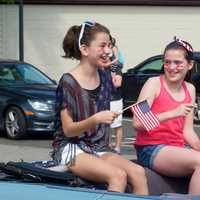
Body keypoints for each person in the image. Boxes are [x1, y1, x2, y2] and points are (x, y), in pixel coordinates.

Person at [51, 21, 148, 194]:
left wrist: (117, 69)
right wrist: (95, 119)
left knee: (138, 172)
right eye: (102, 45)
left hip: (98, 147)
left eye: (110, 45)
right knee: (117, 176)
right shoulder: (68, 82)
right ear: (85, 49)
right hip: (70, 149)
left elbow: (117, 66)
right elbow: (68, 130)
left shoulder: (105, 76)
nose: (108, 51)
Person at [133, 37, 200, 194]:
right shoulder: (153, 83)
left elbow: (187, 131)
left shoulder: (190, 89)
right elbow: (137, 122)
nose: (171, 67)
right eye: (167, 62)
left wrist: (198, 145)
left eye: (177, 62)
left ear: (190, 65)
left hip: (176, 148)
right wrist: (172, 113)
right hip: (150, 148)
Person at [109, 39, 124, 154]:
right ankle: (107, 146)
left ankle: (117, 147)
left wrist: (112, 75)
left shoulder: (117, 69)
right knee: (106, 125)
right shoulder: (103, 69)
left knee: (117, 125)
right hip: (105, 100)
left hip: (115, 101)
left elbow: (117, 84)